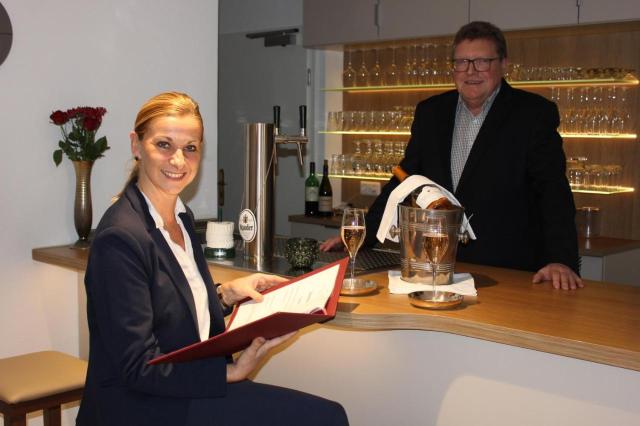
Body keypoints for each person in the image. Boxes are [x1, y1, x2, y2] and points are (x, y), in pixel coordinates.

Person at [77, 92, 349, 426]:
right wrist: (230, 372)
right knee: (325, 418)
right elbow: (137, 366)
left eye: (190, 147)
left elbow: (170, 308)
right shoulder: (120, 238)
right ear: (136, 145)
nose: (179, 160)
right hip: (141, 408)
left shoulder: (181, 217)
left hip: (182, 392)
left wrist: (224, 295)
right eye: (164, 145)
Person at [321, 21, 582, 291]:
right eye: (462, 62)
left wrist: (561, 260)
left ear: (504, 64)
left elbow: (553, 191)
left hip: (509, 272)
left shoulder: (533, 113)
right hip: (437, 266)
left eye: (482, 62)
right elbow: (405, 181)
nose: (471, 71)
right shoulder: (431, 113)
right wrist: (360, 236)